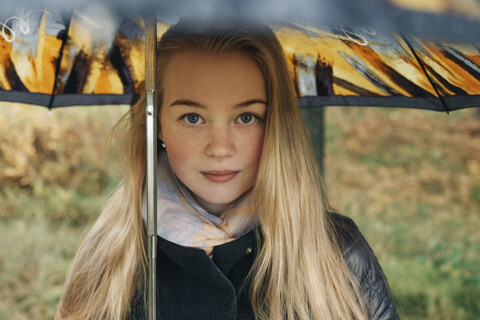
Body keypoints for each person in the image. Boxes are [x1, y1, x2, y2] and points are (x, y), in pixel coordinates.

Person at [56, 18, 399, 320]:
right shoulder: (111, 257)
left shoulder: (338, 252)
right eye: (193, 118)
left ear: (275, 123)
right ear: (157, 122)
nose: (220, 148)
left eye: (246, 117)